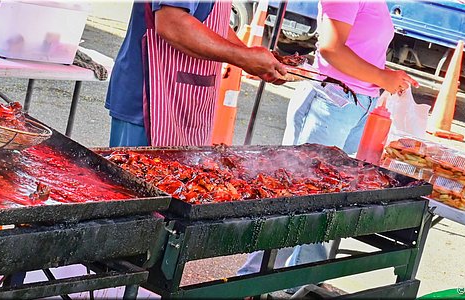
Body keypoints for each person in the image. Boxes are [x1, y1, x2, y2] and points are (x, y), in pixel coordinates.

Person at [237, 0, 419, 287]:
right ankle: (249, 283)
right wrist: (384, 77)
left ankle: (302, 281)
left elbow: (361, 46)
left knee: (324, 201)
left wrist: (384, 80)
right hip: (331, 102)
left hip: (353, 104)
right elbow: (331, 48)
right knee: (298, 198)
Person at [105, 0, 290, 147]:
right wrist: (244, 57)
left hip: (187, 100)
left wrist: (253, 58)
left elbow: (212, 23)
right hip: (150, 99)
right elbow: (172, 23)